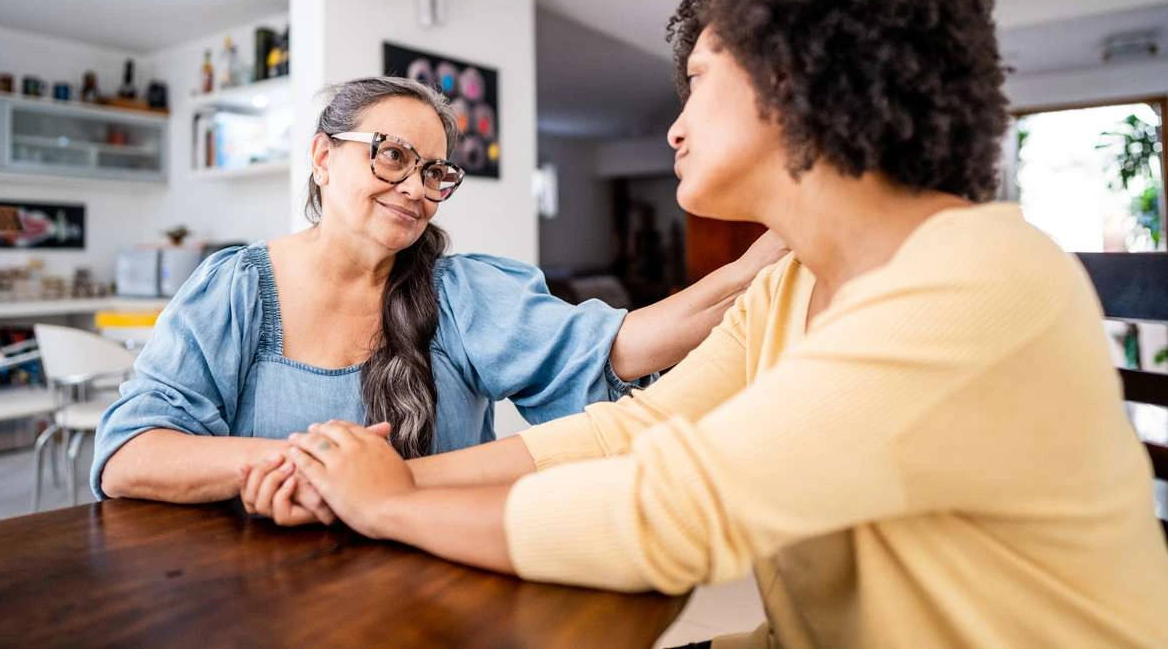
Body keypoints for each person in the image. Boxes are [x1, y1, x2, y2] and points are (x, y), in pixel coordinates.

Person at [266, 0, 1168, 646]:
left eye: (698, 76)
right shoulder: (788, 287)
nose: (675, 123)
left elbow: (674, 512)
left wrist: (387, 506)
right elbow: (634, 432)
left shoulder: (980, 275)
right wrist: (376, 476)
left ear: (796, 70)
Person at [93, 76, 787, 527]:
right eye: (391, 156)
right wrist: (307, 467)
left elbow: (620, 346)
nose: (417, 187)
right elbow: (130, 454)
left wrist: (759, 263)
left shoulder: (458, 293)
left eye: (435, 171)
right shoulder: (236, 289)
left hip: (443, 586)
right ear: (322, 156)